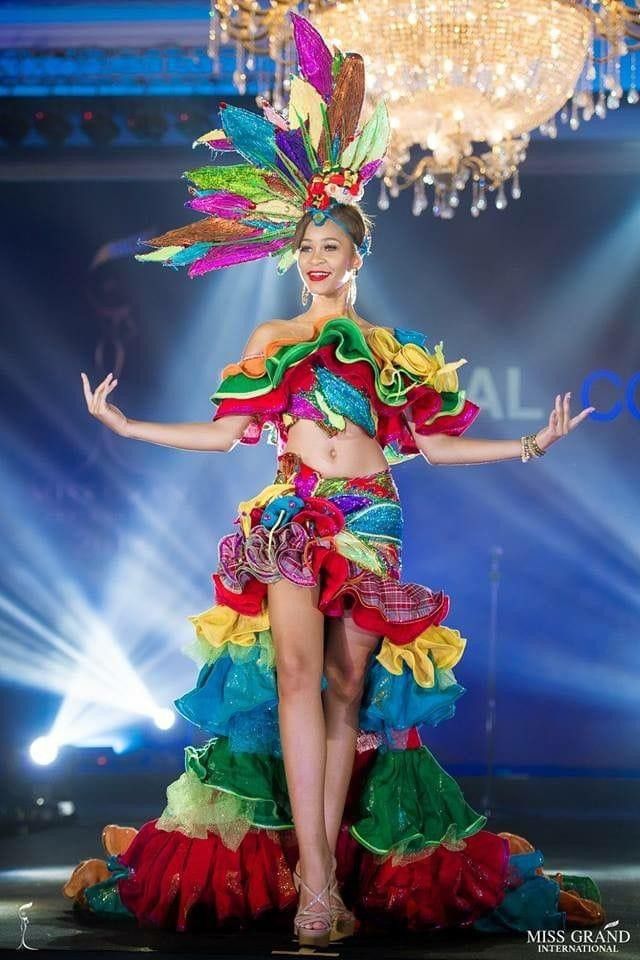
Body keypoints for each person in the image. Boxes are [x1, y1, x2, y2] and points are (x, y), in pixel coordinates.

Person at [65, 13, 604, 947]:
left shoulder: (392, 354)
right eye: (306, 249)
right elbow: (227, 433)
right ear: (295, 256)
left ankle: (327, 870)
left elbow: (431, 450)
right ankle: (317, 888)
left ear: (359, 255)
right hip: (289, 517)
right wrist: (125, 424)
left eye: (331, 248)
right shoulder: (271, 340)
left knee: (347, 698)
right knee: (295, 682)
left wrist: (526, 448)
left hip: (373, 520)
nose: (316, 260)